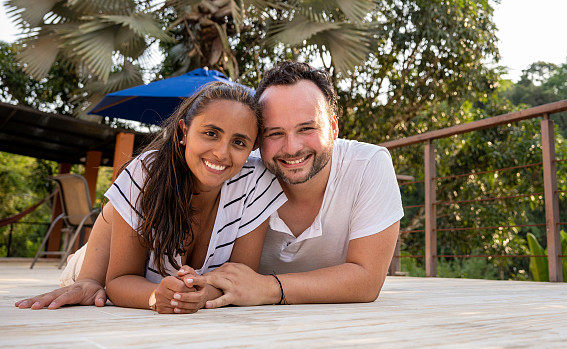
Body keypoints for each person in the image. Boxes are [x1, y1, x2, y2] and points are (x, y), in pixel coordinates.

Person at [15, 62, 402, 309]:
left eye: (307, 129)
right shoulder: (230, 165)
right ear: (259, 141)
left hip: (186, 283)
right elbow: (126, 200)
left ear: (334, 127)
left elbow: (366, 279)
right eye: (274, 133)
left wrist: (258, 290)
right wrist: (91, 275)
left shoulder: (362, 167)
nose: (291, 148)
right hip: (113, 264)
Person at [15, 82, 285, 313]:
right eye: (211, 133)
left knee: (125, 206)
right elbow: (119, 281)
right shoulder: (146, 172)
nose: (222, 153)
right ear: (182, 132)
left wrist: (204, 294)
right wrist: (155, 295)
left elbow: (239, 279)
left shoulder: (255, 181)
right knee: (93, 274)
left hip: (147, 251)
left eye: (239, 142)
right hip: (102, 259)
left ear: (253, 147)